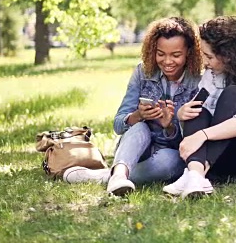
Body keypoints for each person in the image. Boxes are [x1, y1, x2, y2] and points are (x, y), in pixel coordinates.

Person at [63, 17, 203, 196]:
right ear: (153, 50)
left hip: (170, 152)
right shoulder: (142, 72)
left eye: (176, 55)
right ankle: (120, 174)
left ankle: (107, 176)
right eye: (161, 54)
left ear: (189, 53)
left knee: (171, 161)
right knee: (139, 127)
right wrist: (138, 115)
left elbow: (193, 139)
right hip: (136, 148)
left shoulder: (198, 81)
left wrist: (169, 126)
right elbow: (119, 124)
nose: (167, 61)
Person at [162, 16, 236, 198]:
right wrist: (181, 114)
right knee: (197, 109)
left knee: (233, 93)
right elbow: (200, 110)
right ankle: (196, 175)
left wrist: (202, 135)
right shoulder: (213, 73)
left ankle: (195, 174)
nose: (205, 62)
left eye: (209, 56)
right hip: (219, 160)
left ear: (227, 55)